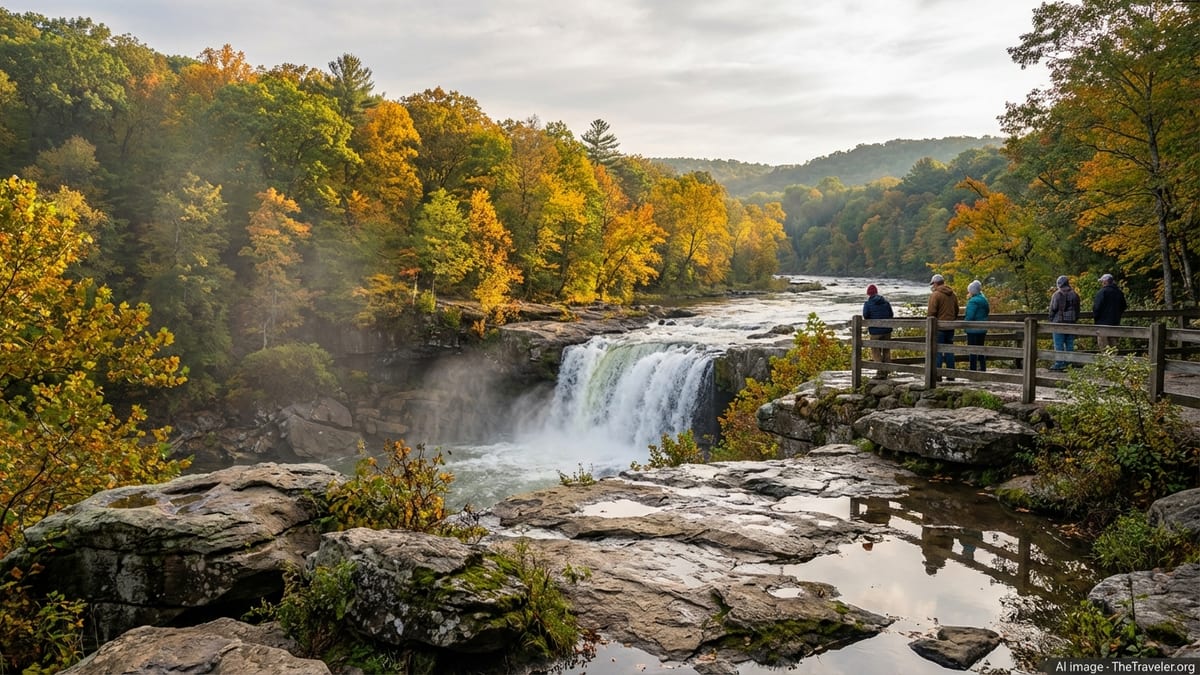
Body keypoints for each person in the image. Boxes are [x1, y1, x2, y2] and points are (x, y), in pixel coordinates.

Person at [927, 274, 959, 376]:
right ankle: (951, 374)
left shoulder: (935, 295)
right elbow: (956, 310)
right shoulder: (953, 294)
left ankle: (938, 375)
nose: (933, 286)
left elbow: (931, 312)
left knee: (938, 351)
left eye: (933, 284)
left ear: (936, 283)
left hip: (939, 327)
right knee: (949, 350)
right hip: (950, 326)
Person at [1048, 274, 1080, 371]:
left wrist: (1051, 319)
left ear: (1059, 284)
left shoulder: (1057, 294)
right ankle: (1069, 363)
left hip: (1059, 323)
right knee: (1070, 343)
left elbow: (1053, 308)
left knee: (1058, 344)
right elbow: (1078, 309)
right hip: (1071, 322)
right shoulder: (1074, 294)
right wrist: (1075, 318)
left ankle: (1059, 363)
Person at [862, 284, 894, 379]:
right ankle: (887, 370)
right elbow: (891, 314)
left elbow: (866, 315)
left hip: (875, 331)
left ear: (868, 294)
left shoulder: (868, 304)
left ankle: (880, 370)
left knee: (875, 350)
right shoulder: (886, 302)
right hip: (887, 330)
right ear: (876, 292)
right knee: (886, 349)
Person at [1093, 273, 1127, 351]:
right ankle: (1113, 362)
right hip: (1115, 323)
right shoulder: (1119, 292)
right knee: (1114, 346)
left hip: (1102, 324)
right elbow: (1124, 306)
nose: (1102, 283)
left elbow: (1096, 308)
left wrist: (1097, 319)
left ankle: (1106, 362)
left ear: (1105, 282)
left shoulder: (1102, 292)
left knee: (1104, 346)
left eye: (1102, 282)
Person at [964, 279, 990, 372]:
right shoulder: (984, 299)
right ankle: (983, 368)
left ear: (972, 291)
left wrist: (964, 324)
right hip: (982, 329)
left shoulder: (973, 301)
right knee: (981, 349)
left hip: (973, 329)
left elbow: (970, 316)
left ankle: (973, 369)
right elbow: (987, 312)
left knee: (972, 350)